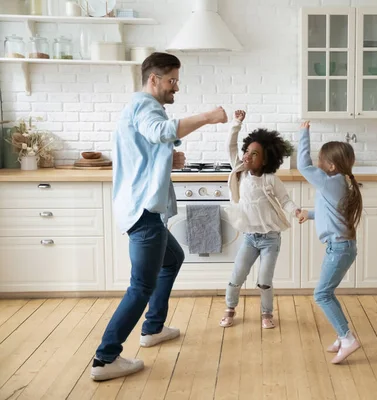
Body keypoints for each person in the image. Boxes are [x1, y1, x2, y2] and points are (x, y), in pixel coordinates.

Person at [91, 52, 228, 381]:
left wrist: (170, 160)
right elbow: (160, 131)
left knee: (172, 258)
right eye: (172, 80)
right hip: (144, 212)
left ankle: (152, 328)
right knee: (140, 286)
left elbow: (149, 146)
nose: (175, 87)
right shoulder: (145, 106)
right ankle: (105, 358)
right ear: (153, 79)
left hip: (142, 210)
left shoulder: (138, 108)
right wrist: (208, 117)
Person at [220, 110, 301, 329]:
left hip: (270, 239)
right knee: (237, 274)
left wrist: (296, 212)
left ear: (266, 160)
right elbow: (230, 146)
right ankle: (229, 309)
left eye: (254, 154)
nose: (247, 155)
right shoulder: (240, 173)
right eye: (247, 151)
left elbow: (285, 201)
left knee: (265, 280)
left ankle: (267, 313)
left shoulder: (270, 180)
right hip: (249, 238)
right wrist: (236, 123)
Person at [296, 121, 363, 364]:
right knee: (327, 292)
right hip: (341, 247)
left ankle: (347, 338)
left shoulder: (331, 181)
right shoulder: (337, 181)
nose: (317, 164)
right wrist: (309, 213)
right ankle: (341, 335)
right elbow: (332, 211)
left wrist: (303, 132)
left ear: (331, 166)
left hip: (339, 249)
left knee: (322, 294)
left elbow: (303, 165)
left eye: (321, 161)